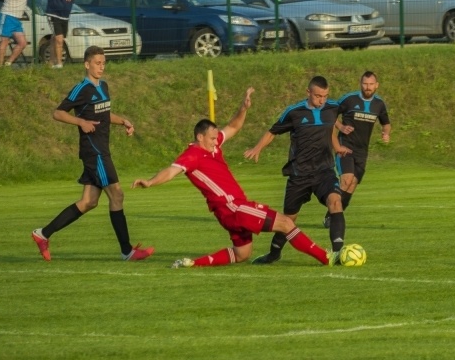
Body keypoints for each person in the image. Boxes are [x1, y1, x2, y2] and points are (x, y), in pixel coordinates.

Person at [132, 88, 333, 268]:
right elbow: (170, 171)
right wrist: (150, 182)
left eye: (216, 138)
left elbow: (233, 127)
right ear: (200, 137)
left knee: (241, 254)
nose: (216, 141)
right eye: (212, 138)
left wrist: (243, 108)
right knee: (286, 223)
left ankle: (192, 263)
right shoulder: (192, 155)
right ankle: (326, 257)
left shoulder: (212, 146)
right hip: (233, 207)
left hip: (227, 212)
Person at [31, 46, 154, 261]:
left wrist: (123, 121)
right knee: (117, 195)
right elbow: (58, 113)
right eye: (97, 63)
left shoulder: (103, 86)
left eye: (103, 63)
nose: (101, 67)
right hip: (94, 152)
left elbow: (104, 114)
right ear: (87, 64)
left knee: (88, 202)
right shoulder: (82, 89)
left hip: (101, 150)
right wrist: (80, 122)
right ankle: (127, 251)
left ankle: (42, 234)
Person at [244, 76, 351, 265]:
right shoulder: (294, 112)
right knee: (288, 220)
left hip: (324, 171)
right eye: (318, 96)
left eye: (325, 96)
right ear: (308, 92)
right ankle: (274, 253)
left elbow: (330, 128)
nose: (322, 100)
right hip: (299, 174)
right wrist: (257, 148)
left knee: (335, 202)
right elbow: (272, 132)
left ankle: (338, 253)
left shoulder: (332, 108)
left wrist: (337, 147)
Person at [323, 70, 391, 228]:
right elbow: (330, 115)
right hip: (345, 146)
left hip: (362, 151)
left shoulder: (379, 104)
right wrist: (341, 126)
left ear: (376, 85)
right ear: (361, 84)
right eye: (365, 84)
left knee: (352, 184)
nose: (368, 87)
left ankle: (332, 215)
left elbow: (386, 123)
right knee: (346, 179)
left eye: (371, 84)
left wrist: (386, 133)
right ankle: (333, 217)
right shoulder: (349, 99)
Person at [0, 0, 44, 67]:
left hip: (17, 18)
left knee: (23, 43)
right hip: (7, 15)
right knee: (4, 41)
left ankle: (8, 63)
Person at [46, 0, 90, 68]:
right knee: (59, 39)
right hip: (54, 13)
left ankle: (51, 62)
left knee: (56, 39)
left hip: (65, 16)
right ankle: (59, 63)